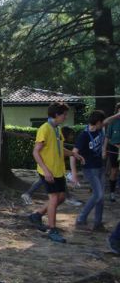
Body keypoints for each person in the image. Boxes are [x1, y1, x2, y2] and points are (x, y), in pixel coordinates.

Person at [28, 102, 84, 243]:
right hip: (48, 171)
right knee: (54, 198)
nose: (65, 117)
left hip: (58, 171)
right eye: (64, 114)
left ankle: (37, 215)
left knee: (61, 198)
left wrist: (73, 154)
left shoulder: (57, 129)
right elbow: (36, 152)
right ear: (56, 115)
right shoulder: (44, 129)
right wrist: (46, 171)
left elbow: (60, 149)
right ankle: (52, 230)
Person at [21, 127, 82, 207]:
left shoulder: (58, 139)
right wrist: (72, 154)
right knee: (51, 181)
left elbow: (61, 150)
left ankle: (28, 194)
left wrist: (72, 154)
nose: (72, 137)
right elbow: (58, 151)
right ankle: (68, 198)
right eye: (71, 135)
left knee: (45, 181)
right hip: (49, 164)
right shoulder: (54, 136)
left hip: (52, 164)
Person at [74, 111, 107, 231]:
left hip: (100, 167)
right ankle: (81, 219)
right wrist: (74, 174)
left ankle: (98, 223)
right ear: (98, 122)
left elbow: (107, 121)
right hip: (89, 169)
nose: (103, 125)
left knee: (101, 197)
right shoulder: (83, 135)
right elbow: (74, 154)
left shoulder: (98, 129)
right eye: (102, 123)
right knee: (98, 194)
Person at [103, 103, 120, 202]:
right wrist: (104, 149)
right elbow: (107, 137)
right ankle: (112, 193)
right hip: (114, 148)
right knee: (114, 170)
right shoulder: (112, 122)